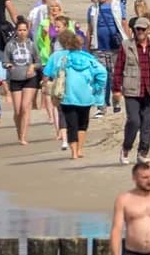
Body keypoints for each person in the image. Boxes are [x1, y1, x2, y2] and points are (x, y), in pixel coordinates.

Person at [43, 29, 107, 160]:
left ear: (67, 45)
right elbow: (102, 74)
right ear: (81, 45)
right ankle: (80, 149)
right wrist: (95, 87)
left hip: (68, 96)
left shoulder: (64, 60)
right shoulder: (89, 59)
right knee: (82, 124)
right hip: (86, 96)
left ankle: (73, 153)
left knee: (71, 125)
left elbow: (56, 75)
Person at [113, 18, 150, 166]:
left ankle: (143, 152)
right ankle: (126, 148)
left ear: (148, 30)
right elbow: (118, 68)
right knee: (134, 121)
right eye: (137, 29)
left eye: (143, 29)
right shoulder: (127, 46)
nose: (140, 32)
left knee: (148, 123)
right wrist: (116, 89)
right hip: (132, 90)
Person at [86, 0, 127, 117]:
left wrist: (129, 42)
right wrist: (87, 48)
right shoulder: (92, 9)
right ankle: (101, 107)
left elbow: (124, 24)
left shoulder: (117, 6)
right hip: (99, 48)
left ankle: (116, 103)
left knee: (115, 77)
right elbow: (90, 29)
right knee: (100, 78)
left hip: (116, 47)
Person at [3, 17, 41, 146]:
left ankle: (23, 136)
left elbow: (39, 62)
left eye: (24, 30)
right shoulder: (10, 45)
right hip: (15, 79)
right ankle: (19, 132)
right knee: (18, 110)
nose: (22, 32)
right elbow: (5, 61)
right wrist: (8, 66)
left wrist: (32, 66)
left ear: (28, 30)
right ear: (16, 31)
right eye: (20, 30)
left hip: (30, 79)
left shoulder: (31, 44)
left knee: (25, 107)